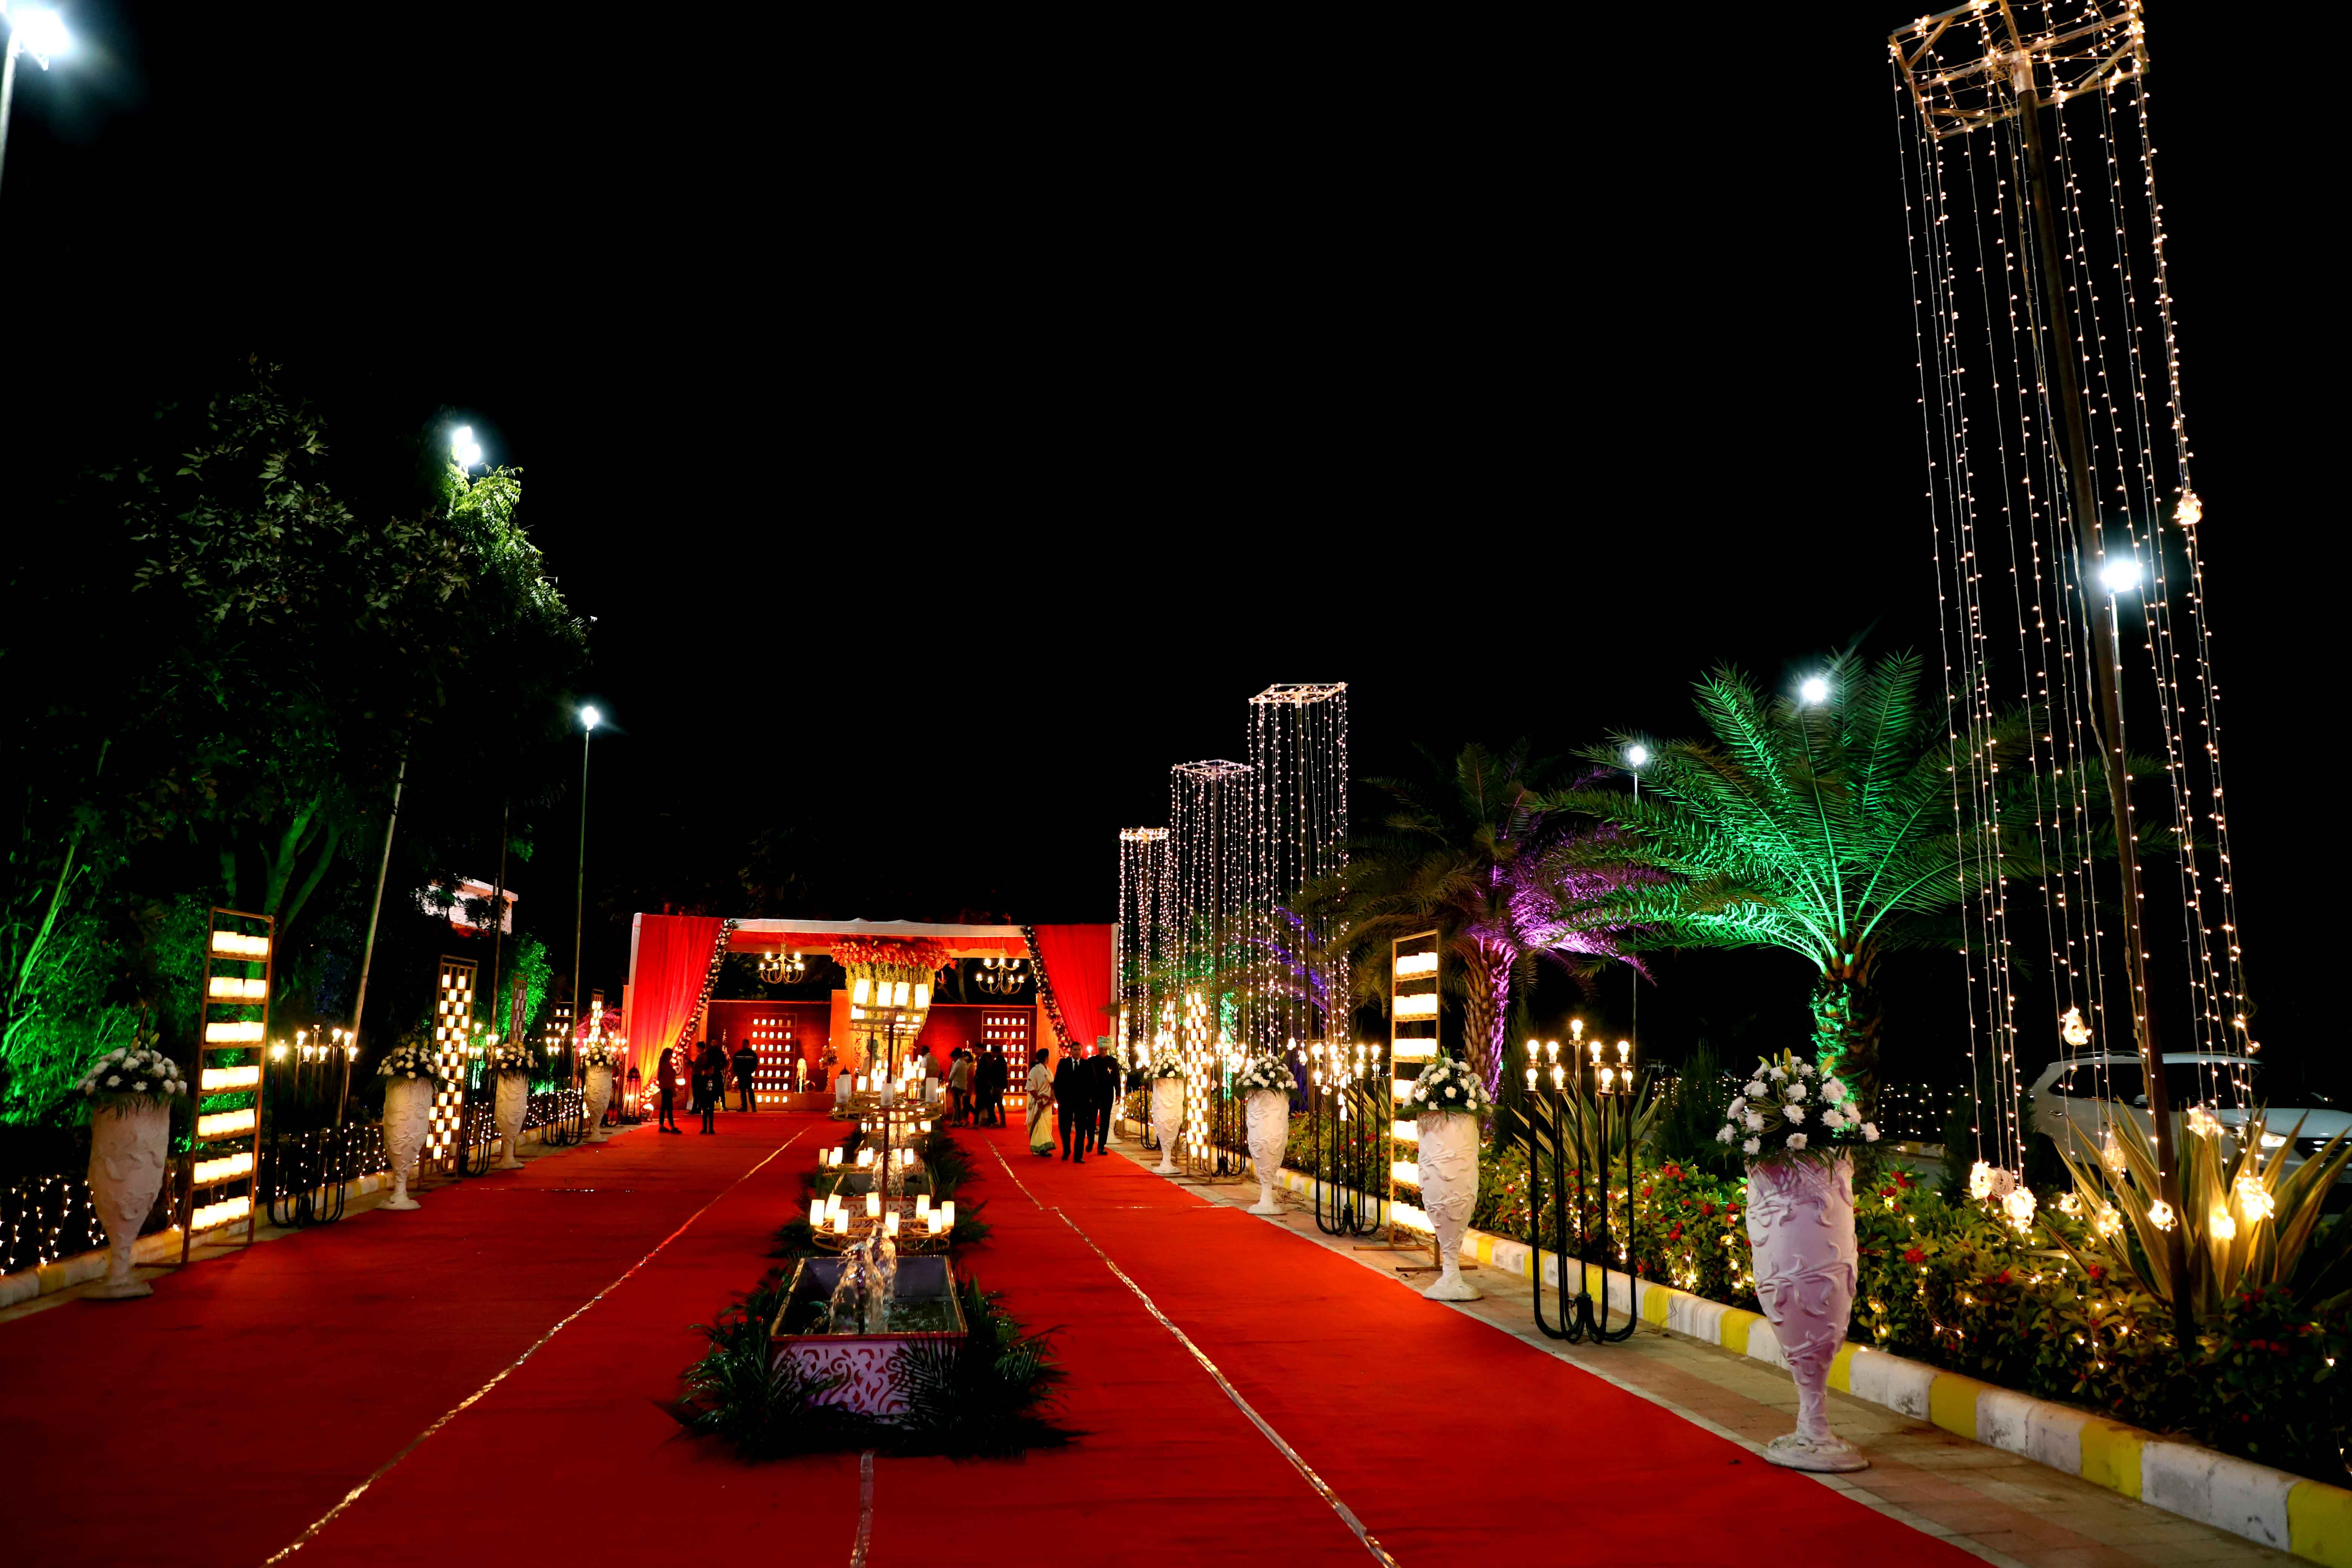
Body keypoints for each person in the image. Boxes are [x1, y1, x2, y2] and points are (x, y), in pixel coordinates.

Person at [1053, 1049, 1088, 1162]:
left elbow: (1092, 1082)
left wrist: (1090, 1099)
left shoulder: (1087, 1064)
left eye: (1079, 1050)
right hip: (1066, 1102)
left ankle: (1078, 1156)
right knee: (1064, 1128)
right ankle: (1067, 1150)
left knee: (1081, 1130)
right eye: (1075, 1050)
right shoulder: (1063, 1063)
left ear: (1082, 1051)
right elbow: (1057, 1082)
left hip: (1081, 1103)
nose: (1077, 1052)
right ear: (1071, 1052)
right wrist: (1059, 1099)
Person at [1087, 1047, 1119, 1153]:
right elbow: (1086, 1078)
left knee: (1105, 1121)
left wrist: (1118, 1094)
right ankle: (1091, 1142)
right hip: (1094, 1095)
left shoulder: (1112, 1061)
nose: (1103, 1051)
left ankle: (1101, 1146)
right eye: (1102, 1049)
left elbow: (1117, 1079)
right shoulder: (1092, 1061)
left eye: (1105, 1049)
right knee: (1091, 1120)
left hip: (1107, 1095)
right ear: (1099, 1049)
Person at [694, 1040, 725, 1134]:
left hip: (710, 1098)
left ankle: (710, 1128)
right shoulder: (704, 1079)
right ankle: (705, 1128)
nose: (712, 1071)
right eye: (711, 1070)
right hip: (706, 1098)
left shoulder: (713, 1079)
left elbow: (715, 1088)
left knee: (710, 1113)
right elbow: (701, 1089)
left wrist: (716, 1097)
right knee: (706, 1113)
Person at [1027, 1054, 1056, 1155]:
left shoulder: (1048, 1071)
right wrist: (1039, 1100)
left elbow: (1052, 1084)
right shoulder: (1035, 1071)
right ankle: (1039, 1148)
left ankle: (1043, 1148)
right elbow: (1030, 1087)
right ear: (1046, 1058)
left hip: (1047, 1102)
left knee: (1047, 1125)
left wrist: (1051, 1096)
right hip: (1037, 1101)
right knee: (1039, 1124)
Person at [977, 1046, 1008, 1127]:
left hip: (998, 1085)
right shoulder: (1002, 1060)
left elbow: (995, 1073)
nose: (992, 1055)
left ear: (996, 1052)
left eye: (993, 1053)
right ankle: (996, 1121)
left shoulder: (999, 1061)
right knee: (995, 1104)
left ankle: (999, 1122)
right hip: (1000, 1085)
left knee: (997, 1104)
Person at [655, 1047, 681, 1133]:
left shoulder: (664, 1064)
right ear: (667, 1055)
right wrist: (674, 1087)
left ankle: (662, 1126)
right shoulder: (666, 1065)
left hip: (665, 1087)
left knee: (664, 1107)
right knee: (669, 1108)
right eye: (670, 1055)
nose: (671, 1057)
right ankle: (672, 1127)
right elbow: (669, 1078)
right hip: (667, 1088)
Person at [949, 1047, 975, 1127]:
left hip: (957, 1085)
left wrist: (950, 1079)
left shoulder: (958, 1063)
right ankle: (955, 1121)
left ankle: (958, 1121)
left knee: (957, 1105)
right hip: (963, 1086)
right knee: (957, 1104)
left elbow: (952, 1074)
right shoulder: (964, 1063)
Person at [731, 1036, 758, 1113]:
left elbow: (755, 1064)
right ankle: (747, 1106)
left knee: (748, 1090)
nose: (744, 1045)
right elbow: (735, 1064)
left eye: (745, 1044)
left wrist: (739, 1072)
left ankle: (750, 1106)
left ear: (748, 1045)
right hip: (744, 1074)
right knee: (744, 1090)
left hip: (746, 1074)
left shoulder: (741, 1054)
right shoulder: (751, 1054)